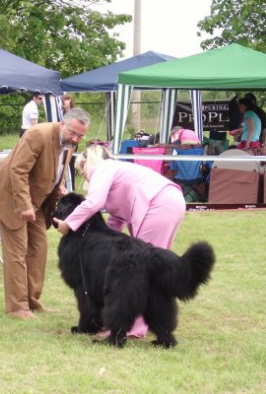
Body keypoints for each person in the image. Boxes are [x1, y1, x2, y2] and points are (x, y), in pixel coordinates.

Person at [53, 144, 186, 339]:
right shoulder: (117, 172)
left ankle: (131, 328)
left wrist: (68, 224)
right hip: (170, 201)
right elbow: (116, 220)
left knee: (138, 271)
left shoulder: (103, 169)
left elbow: (93, 202)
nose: (84, 175)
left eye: (82, 170)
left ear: (86, 162)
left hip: (158, 204)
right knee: (150, 269)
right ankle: (156, 323)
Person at [0, 107, 91, 321]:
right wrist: (24, 205)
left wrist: (59, 187)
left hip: (37, 202)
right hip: (12, 198)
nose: (76, 138)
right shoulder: (37, 134)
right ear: (63, 124)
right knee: (18, 251)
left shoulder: (68, 143)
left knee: (39, 248)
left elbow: (56, 170)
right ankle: (17, 307)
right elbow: (18, 170)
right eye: (73, 133)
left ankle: (32, 301)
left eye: (81, 135)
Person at [61, 94, 77, 190]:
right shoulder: (60, 113)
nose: (66, 102)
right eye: (64, 100)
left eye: (67, 99)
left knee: (69, 165)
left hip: (71, 142)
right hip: (62, 142)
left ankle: (72, 189)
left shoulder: (74, 114)